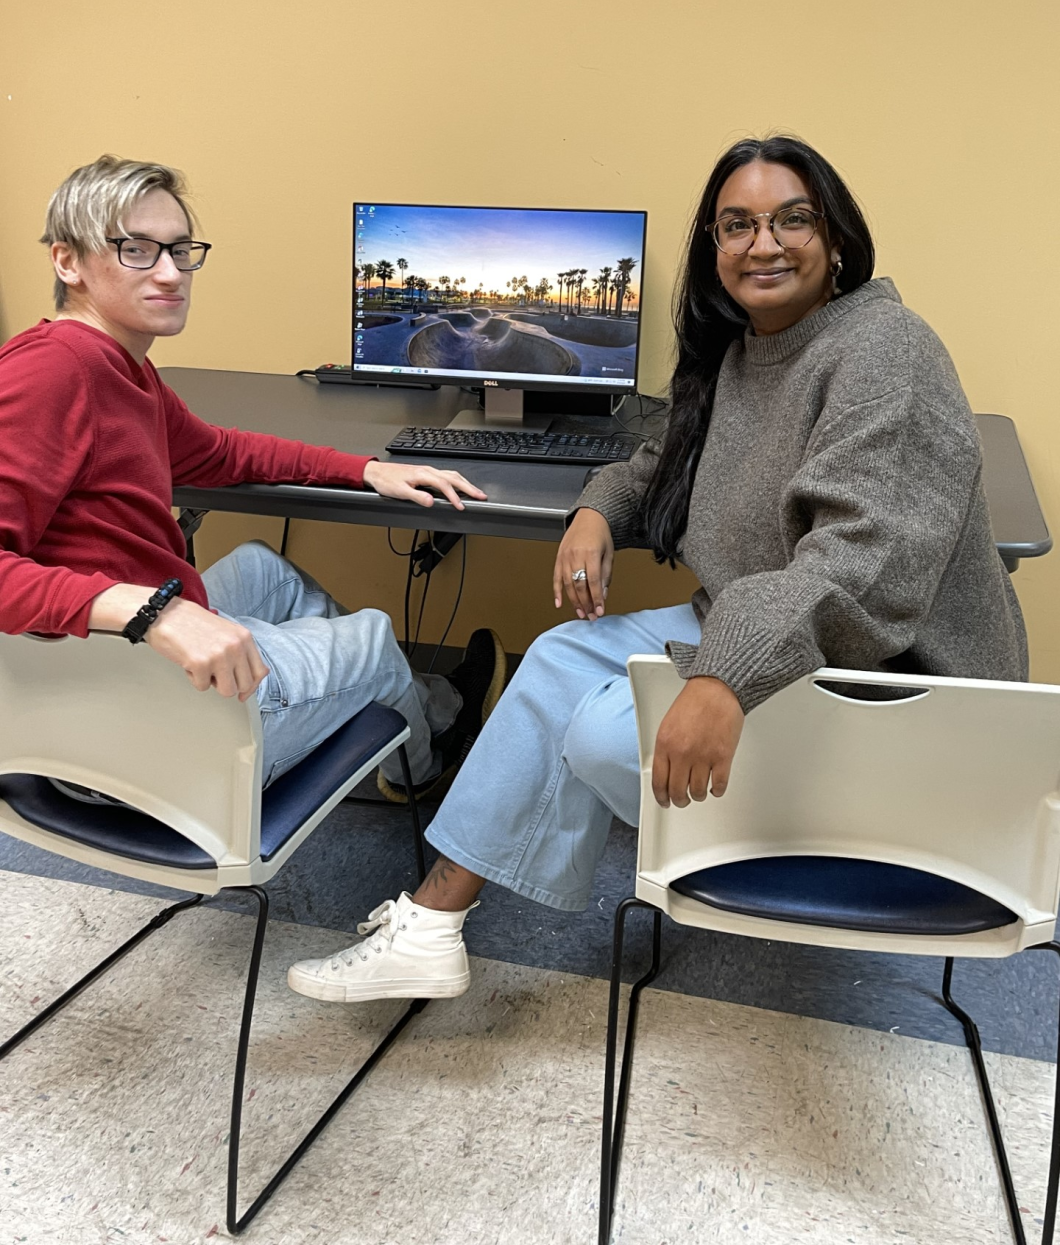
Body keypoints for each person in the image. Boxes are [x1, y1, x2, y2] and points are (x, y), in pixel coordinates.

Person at [287, 134, 1027, 1003]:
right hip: (765, 629)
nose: (765, 243)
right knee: (561, 657)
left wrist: (723, 679)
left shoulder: (884, 348)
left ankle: (758, 845)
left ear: (836, 241)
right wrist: (598, 510)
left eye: (793, 219)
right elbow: (657, 456)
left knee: (599, 733)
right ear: (713, 250)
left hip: (884, 683)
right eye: (737, 224)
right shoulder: (743, 351)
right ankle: (433, 922)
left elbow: (858, 566)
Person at [0, 154, 506, 801]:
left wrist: (368, 468)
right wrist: (154, 613)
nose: (169, 271)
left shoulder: (122, 369)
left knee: (265, 567)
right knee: (379, 639)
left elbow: (224, 453)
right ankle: (424, 760)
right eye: (136, 249)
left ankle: (414, 705)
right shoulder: (50, 372)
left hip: (123, 668)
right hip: (124, 730)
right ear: (67, 261)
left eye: (181, 250)